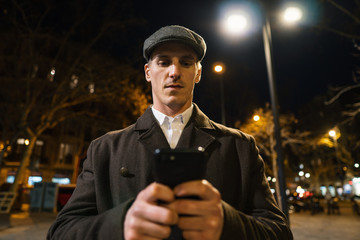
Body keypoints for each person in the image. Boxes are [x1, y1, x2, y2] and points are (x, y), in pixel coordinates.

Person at [47, 25, 293, 240]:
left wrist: (227, 224)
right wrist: (120, 225)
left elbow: (279, 232)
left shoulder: (240, 146)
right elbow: (61, 231)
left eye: (185, 62)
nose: (174, 71)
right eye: (163, 62)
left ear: (197, 73)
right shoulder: (104, 149)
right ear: (147, 72)